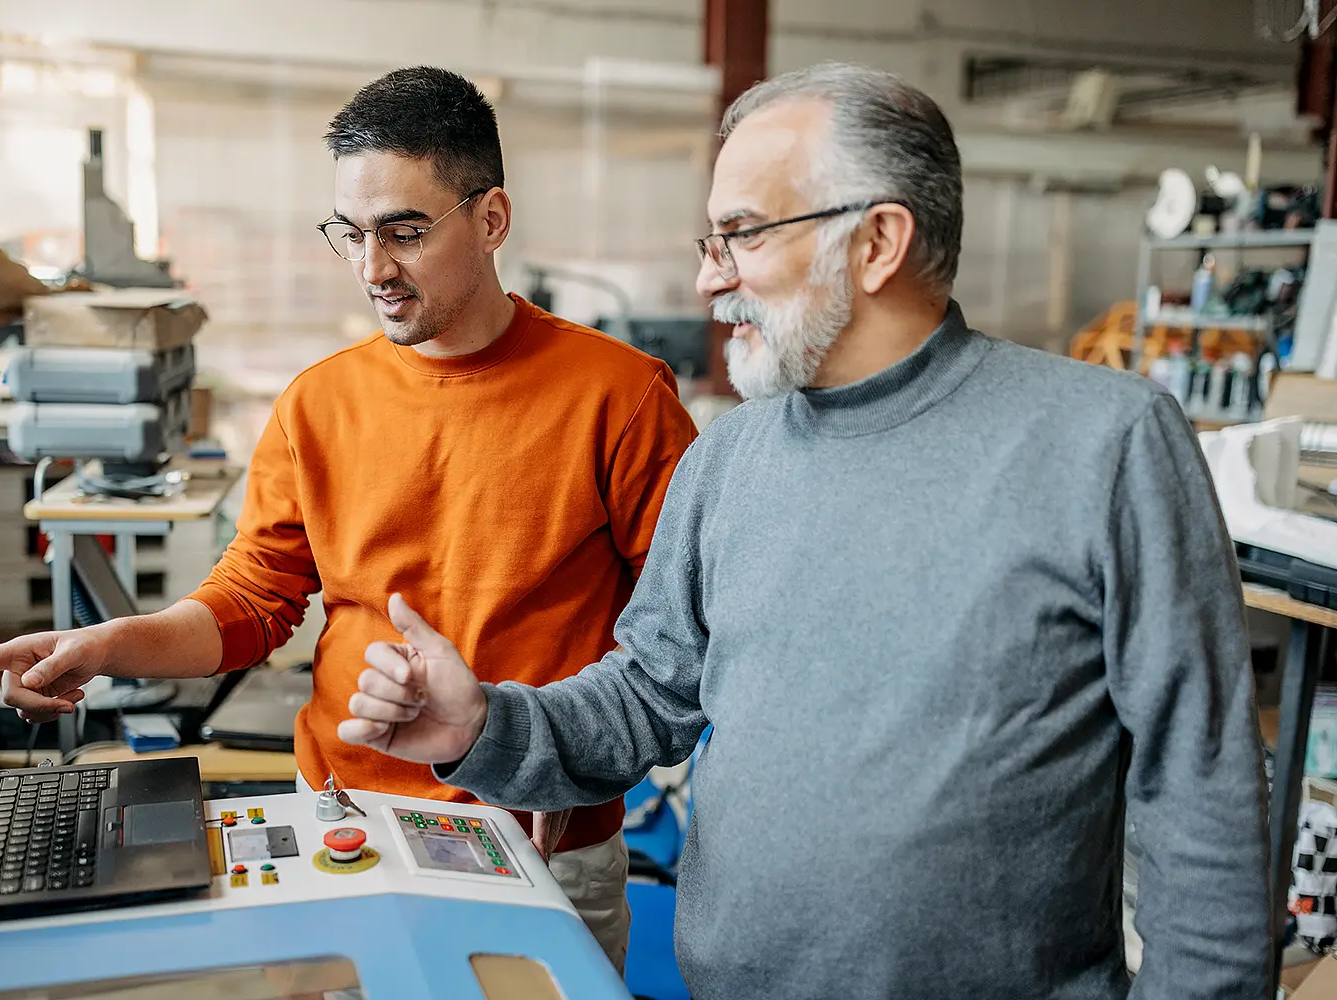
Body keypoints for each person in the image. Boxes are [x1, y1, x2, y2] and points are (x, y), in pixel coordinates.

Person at [336, 63, 1272, 999]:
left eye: (740, 234)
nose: (709, 276)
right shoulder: (728, 459)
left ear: (877, 241)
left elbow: (1206, 807)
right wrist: (484, 724)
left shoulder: (1105, 443)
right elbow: (647, 697)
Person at [0, 66, 698, 969]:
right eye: (352, 233)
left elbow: (675, 644)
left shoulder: (621, 397)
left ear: (491, 219)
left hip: (537, 831)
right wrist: (105, 645)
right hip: (344, 812)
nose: (374, 269)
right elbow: (257, 600)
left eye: (405, 232)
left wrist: (562, 756)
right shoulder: (317, 404)